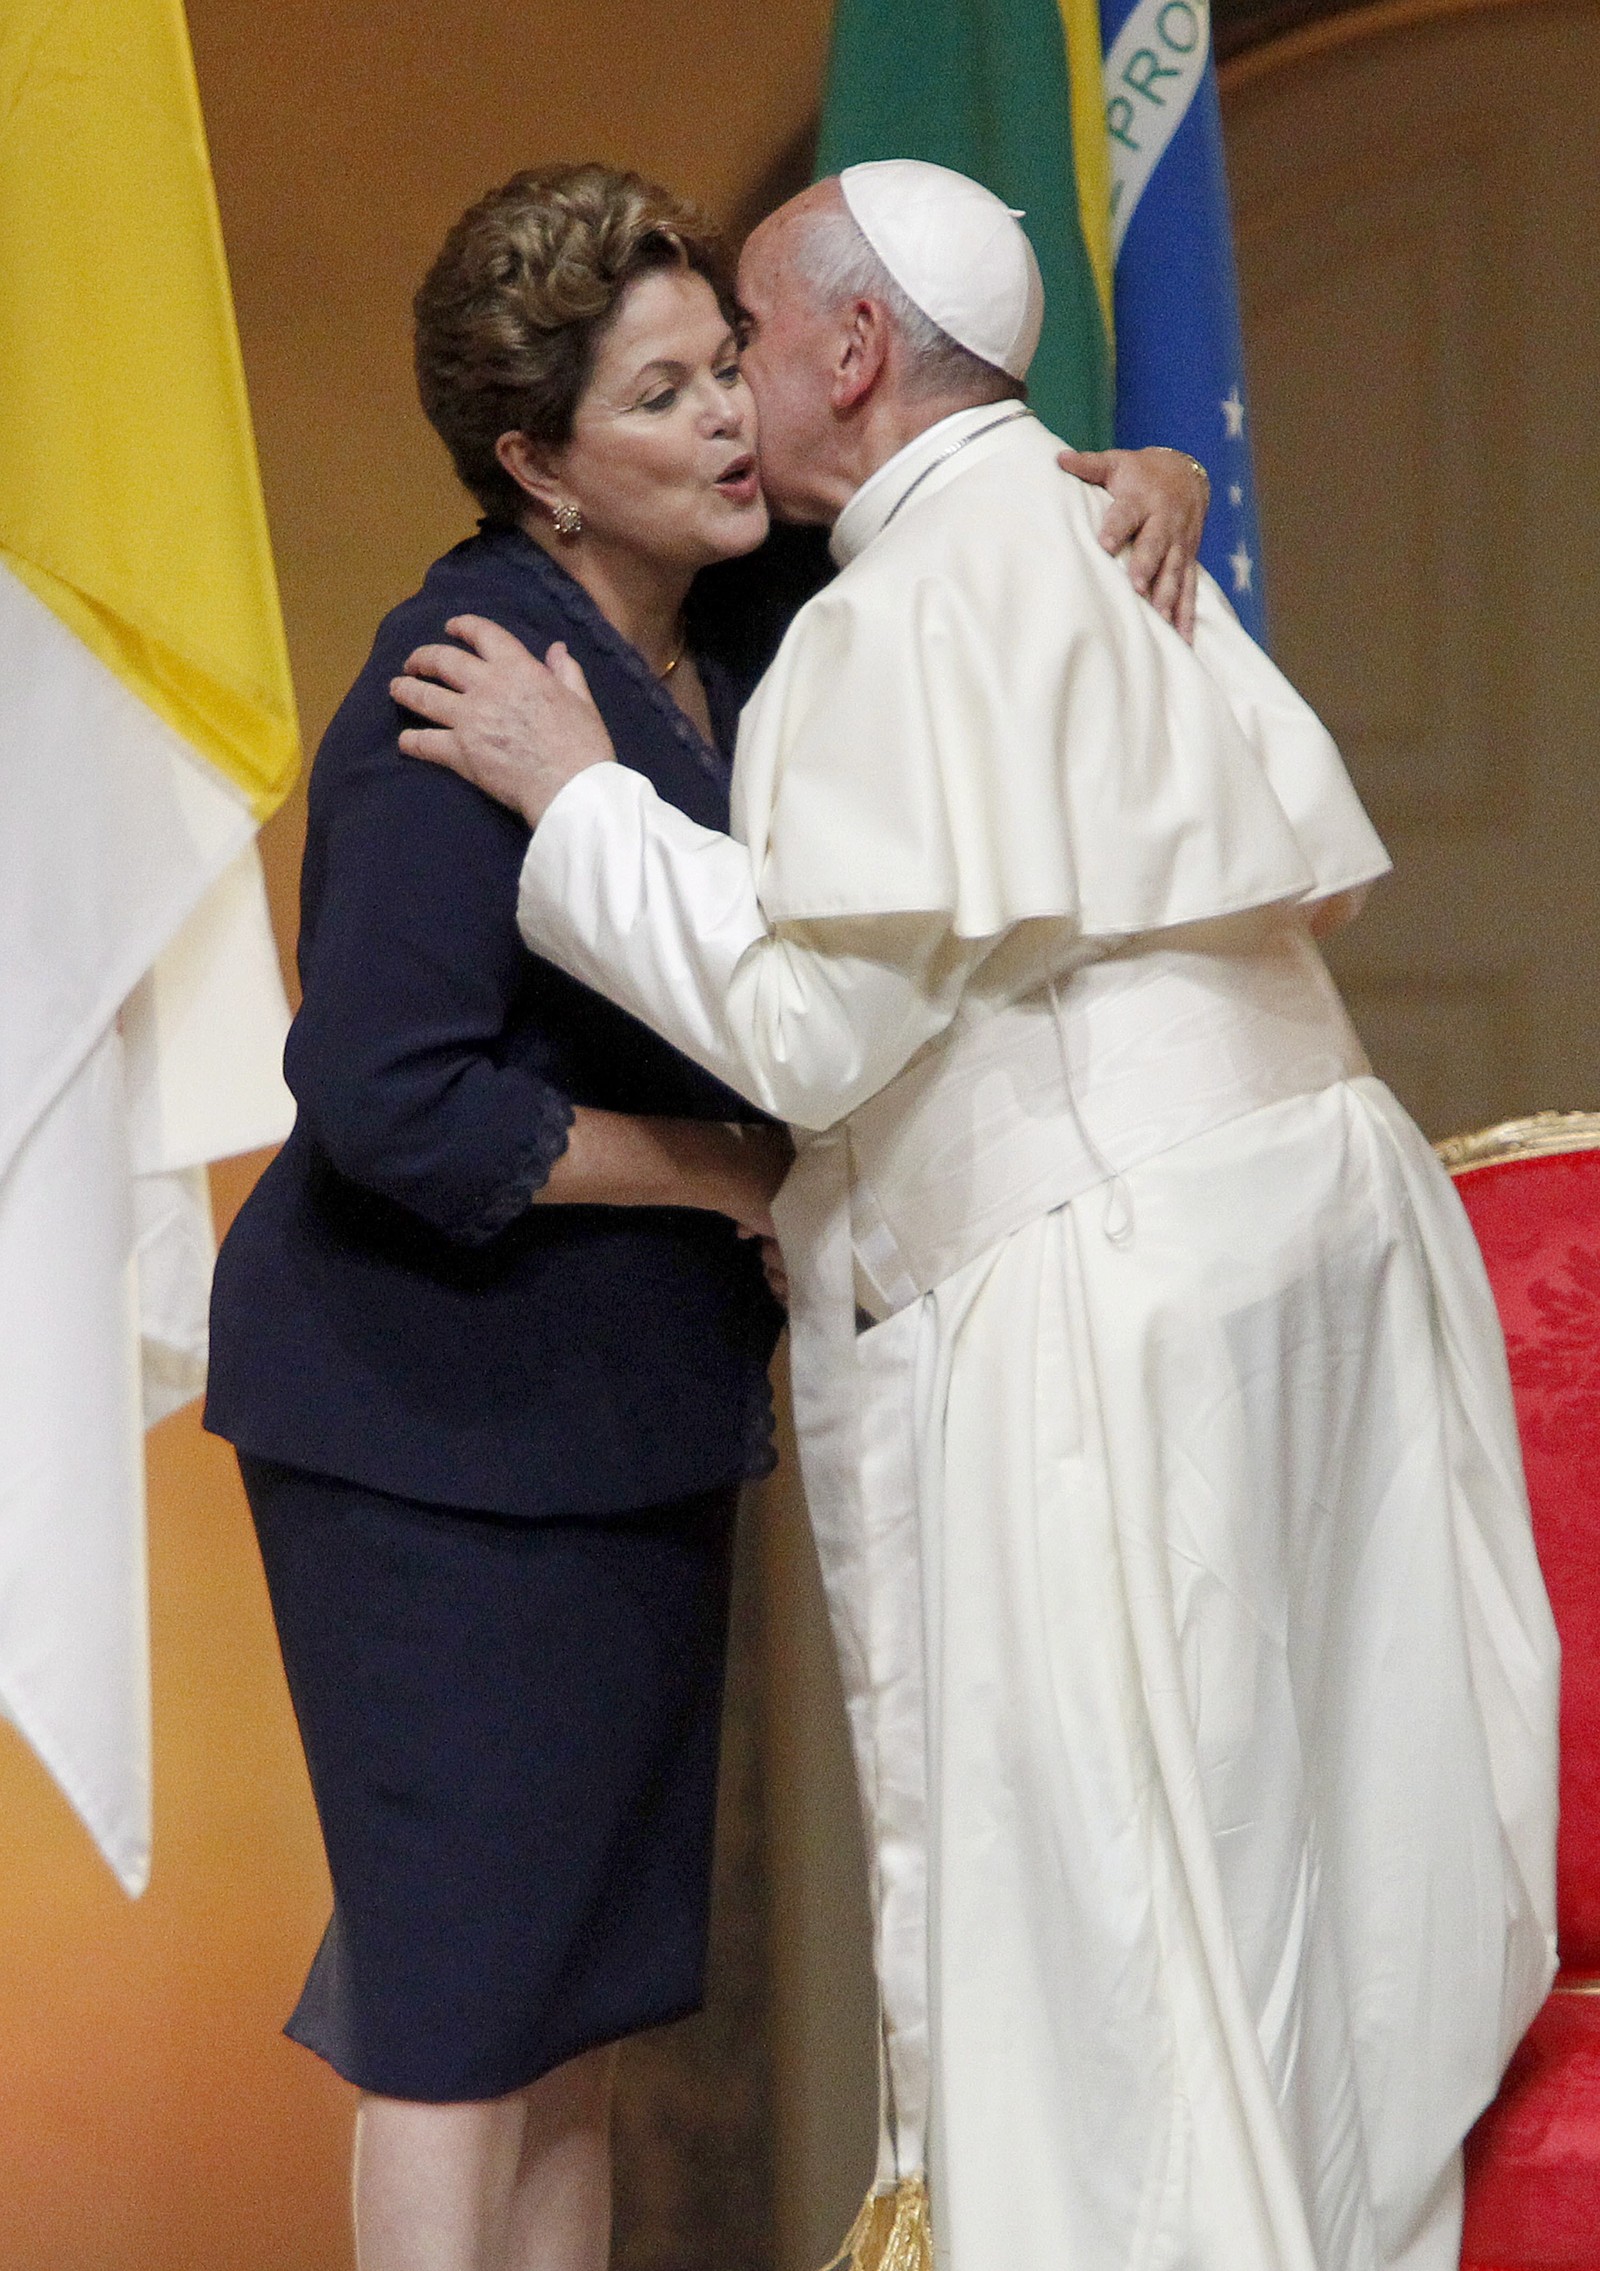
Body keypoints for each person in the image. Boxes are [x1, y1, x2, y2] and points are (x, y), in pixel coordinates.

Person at [393, 161, 1561, 2271]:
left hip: (1114, 1292)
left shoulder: (903, 608)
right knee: (1318, 1885)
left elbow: (810, 1029)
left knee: (1127, 1940)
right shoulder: (1083, 526)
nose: (729, 397)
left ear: (853, 348)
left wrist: (577, 802)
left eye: (745, 346)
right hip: (1318, 1230)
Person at [205, 161, 1208, 2271]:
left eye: (724, 366)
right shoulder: (458, 681)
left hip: (623, 1418)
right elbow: (384, 1101)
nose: (732, 420)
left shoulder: (750, 614)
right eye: (661, 397)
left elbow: (970, 508)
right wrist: (729, 1171)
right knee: (458, 2014)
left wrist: (1139, 484)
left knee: (576, 2003)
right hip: (419, 1431)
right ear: (537, 466)